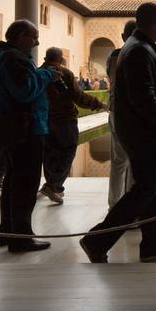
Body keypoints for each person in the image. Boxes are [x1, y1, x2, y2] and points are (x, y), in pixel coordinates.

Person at [80, 3, 156, 264]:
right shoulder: (139, 51)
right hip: (144, 132)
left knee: (148, 186)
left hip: (140, 130)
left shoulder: (139, 47)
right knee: (147, 187)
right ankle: (97, 239)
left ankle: (150, 243)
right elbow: (144, 96)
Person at [0, 19, 60, 253]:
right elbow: (25, 91)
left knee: (13, 181)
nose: (37, 42)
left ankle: (7, 231)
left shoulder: (5, 56)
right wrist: (47, 75)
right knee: (26, 185)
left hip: (15, 128)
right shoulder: (14, 59)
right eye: (33, 36)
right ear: (19, 36)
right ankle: (21, 237)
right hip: (25, 130)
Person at [39, 47, 107, 204]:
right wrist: (99, 104)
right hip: (65, 121)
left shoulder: (38, 73)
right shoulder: (65, 73)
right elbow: (78, 97)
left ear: (45, 58)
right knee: (68, 152)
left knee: (49, 154)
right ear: (61, 59)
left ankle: (51, 185)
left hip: (46, 121)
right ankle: (54, 185)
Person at [106, 18, 137, 208]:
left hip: (116, 112)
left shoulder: (113, 56)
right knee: (134, 164)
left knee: (118, 163)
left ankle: (114, 206)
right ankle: (130, 209)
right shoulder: (140, 54)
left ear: (123, 36)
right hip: (133, 115)